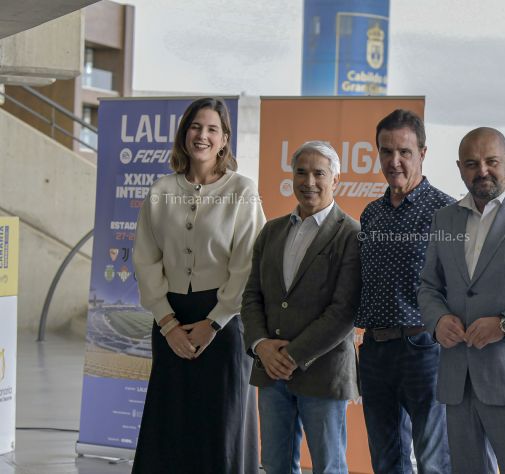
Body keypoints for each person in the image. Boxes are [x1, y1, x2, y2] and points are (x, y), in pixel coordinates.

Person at [132, 97, 265, 473]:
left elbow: (249, 264)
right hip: (170, 319)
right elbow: (145, 259)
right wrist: (168, 323)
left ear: (225, 139)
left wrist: (215, 321)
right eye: (195, 127)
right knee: (170, 425)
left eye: (212, 129)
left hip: (226, 323)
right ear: (183, 134)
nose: (202, 135)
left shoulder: (242, 191)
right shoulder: (160, 190)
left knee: (222, 426)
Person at [418, 127, 505, 474]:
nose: (482, 171)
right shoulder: (444, 219)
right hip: (457, 381)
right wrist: (437, 320)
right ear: (460, 168)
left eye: (491, 161)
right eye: (471, 163)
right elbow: (428, 286)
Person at [241, 141, 360, 474]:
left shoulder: (351, 234)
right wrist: (261, 346)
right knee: (275, 465)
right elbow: (252, 296)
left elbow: (344, 312)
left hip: (322, 374)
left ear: (335, 180)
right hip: (270, 372)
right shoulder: (271, 231)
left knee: (328, 466)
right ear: (292, 177)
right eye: (301, 172)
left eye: (319, 173)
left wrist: (290, 356)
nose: (309, 181)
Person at [355, 109, 454, 474]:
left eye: (404, 152)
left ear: (423, 153)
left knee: (432, 460)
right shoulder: (371, 214)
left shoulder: (446, 211)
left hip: (424, 350)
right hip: (376, 351)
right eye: (386, 152)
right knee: (385, 459)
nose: (394, 161)